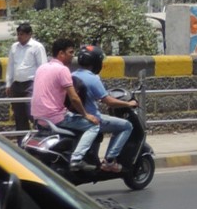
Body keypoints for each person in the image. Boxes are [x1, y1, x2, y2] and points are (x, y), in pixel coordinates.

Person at [68, 45, 136, 173]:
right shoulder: (93, 79)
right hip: (92, 118)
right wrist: (128, 104)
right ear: (95, 62)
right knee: (126, 126)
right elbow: (109, 102)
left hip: (74, 117)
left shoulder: (72, 75)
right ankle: (110, 161)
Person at [29, 38, 93, 142]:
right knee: (93, 126)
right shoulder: (62, 69)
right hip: (56, 118)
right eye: (70, 52)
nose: (73, 55)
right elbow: (74, 98)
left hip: (39, 118)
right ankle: (77, 157)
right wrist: (86, 115)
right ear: (61, 53)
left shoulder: (41, 68)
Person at [5, 21, 45, 132]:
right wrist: (9, 83)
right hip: (17, 84)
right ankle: (22, 142)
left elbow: (42, 66)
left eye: (22, 34)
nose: (19, 37)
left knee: (31, 112)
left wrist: (41, 85)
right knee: (19, 115)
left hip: (31, 83)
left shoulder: (37, 47)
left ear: (29, 34)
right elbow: (11, 65)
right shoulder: (14, 47)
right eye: (18, 34)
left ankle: (39, 136)